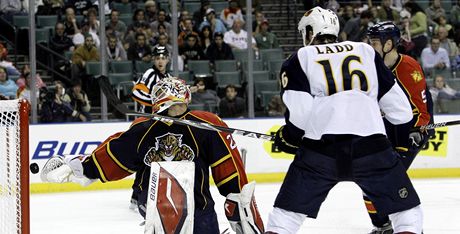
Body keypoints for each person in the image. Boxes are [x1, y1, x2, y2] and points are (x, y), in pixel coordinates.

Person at [266, 7, 423, 234]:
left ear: (310, 31)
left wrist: (288, 137)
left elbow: (300, 117)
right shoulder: (366, 52)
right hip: (372, 148)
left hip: (320, 152)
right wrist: (388, 137)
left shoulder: (299, 58)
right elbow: (401, 112)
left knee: (284, 219)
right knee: (407, 214)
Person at [40, 78, 264, 233]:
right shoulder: (143, 129)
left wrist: (238, 200)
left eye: (180, 106)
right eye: (172, 106)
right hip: (156, 210)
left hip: (200, 209)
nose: (177, 110)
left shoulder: (207, 125)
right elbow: (112, 155)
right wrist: (77, 167)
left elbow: (229, 168)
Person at [367, 21, 434, 234]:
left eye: (375, 42)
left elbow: (422, 105)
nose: (371, 46)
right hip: (382, 133)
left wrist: (420, 129)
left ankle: (411, 227)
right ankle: (383, 226)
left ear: (389, 44)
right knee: (369, 184)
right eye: (370, 41)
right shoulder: (368, 66)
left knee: (389, 181)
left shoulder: (408, 66)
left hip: (408, 133)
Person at [132, 46, 172, 113]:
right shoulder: (150, 73)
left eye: (163, 58)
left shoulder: (169, 77)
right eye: (157, 58)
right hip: (147, 117)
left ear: (167, 60)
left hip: (163, 117)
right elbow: (136, 92)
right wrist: (154, 101)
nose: (160, 61)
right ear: (153, 60)